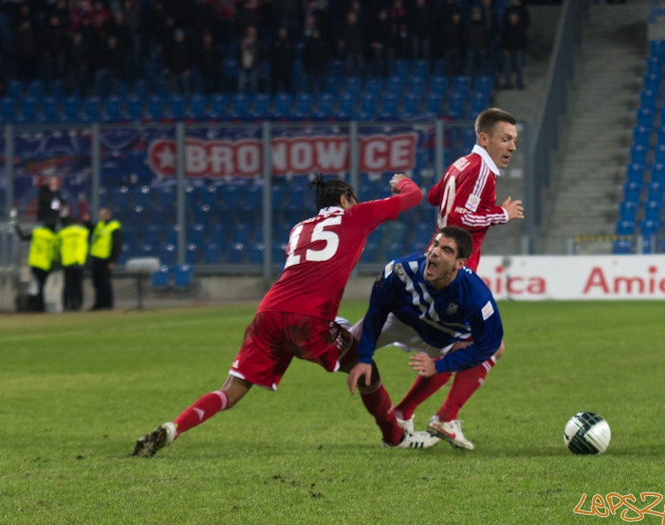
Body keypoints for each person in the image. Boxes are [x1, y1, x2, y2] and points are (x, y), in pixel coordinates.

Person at [132, 173, 438, 458]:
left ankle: (175, 427)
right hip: (309, 321)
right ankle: (395, 438)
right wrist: (402, 182)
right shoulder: (354, 215)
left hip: (268, 314)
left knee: (232, 390)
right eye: (354, 199)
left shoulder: (299, 229)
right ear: (345, 199)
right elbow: (414, 196)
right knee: (366, 369)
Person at [346, 226, 504, 450]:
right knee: (342, 351)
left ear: (460, 264)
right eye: (435, 245)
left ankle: (420, 416)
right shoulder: (401, 270)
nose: (436, 252)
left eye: (447, 250)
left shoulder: (476, 297)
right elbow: (377, 312)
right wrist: (364, 356)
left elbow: (489, 344)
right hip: (397, 322)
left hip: (438, 337)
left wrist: (442, 365)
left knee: (491, 348)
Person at [427, 108, 525, 272]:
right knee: (476, 298)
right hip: (455, 261)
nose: (512, 147)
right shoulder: (481, 170)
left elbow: (433, 197)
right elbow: (459, 219)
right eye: (506, 139)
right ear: (484, 139)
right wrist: (502, 214)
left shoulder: (462, 163)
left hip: (437, 253)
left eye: (514, 140)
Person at [88, 208, 122, 311]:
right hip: (96, 258)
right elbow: (92, 230)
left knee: (105, 282)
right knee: (97, 282)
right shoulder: (100, 225)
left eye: (101, 214)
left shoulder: (114, 226)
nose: (99, 216)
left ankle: (108, 304)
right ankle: (99, 303)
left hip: (105, 259)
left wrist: (112, 260)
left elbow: (116, 245)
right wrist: (87, 222)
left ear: (108, 215)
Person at [57, 217, 90, 311]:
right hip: (79, 261)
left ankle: (66, 305)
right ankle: (78, 305)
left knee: (68, 285)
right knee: (78, 285)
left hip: (67, 261)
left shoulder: (62, 233)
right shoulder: (83, 232)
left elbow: (58, 247)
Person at [27, 223, 58, 313]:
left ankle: (34, 306)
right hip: (45, 265)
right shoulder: (53, 237)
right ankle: (40, 307)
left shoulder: (37, 232)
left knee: (35, 286)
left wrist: (16, 227)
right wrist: (53, 266)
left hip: (35, 263)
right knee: (41, 286)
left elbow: (24, 236)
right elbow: (53, 253)